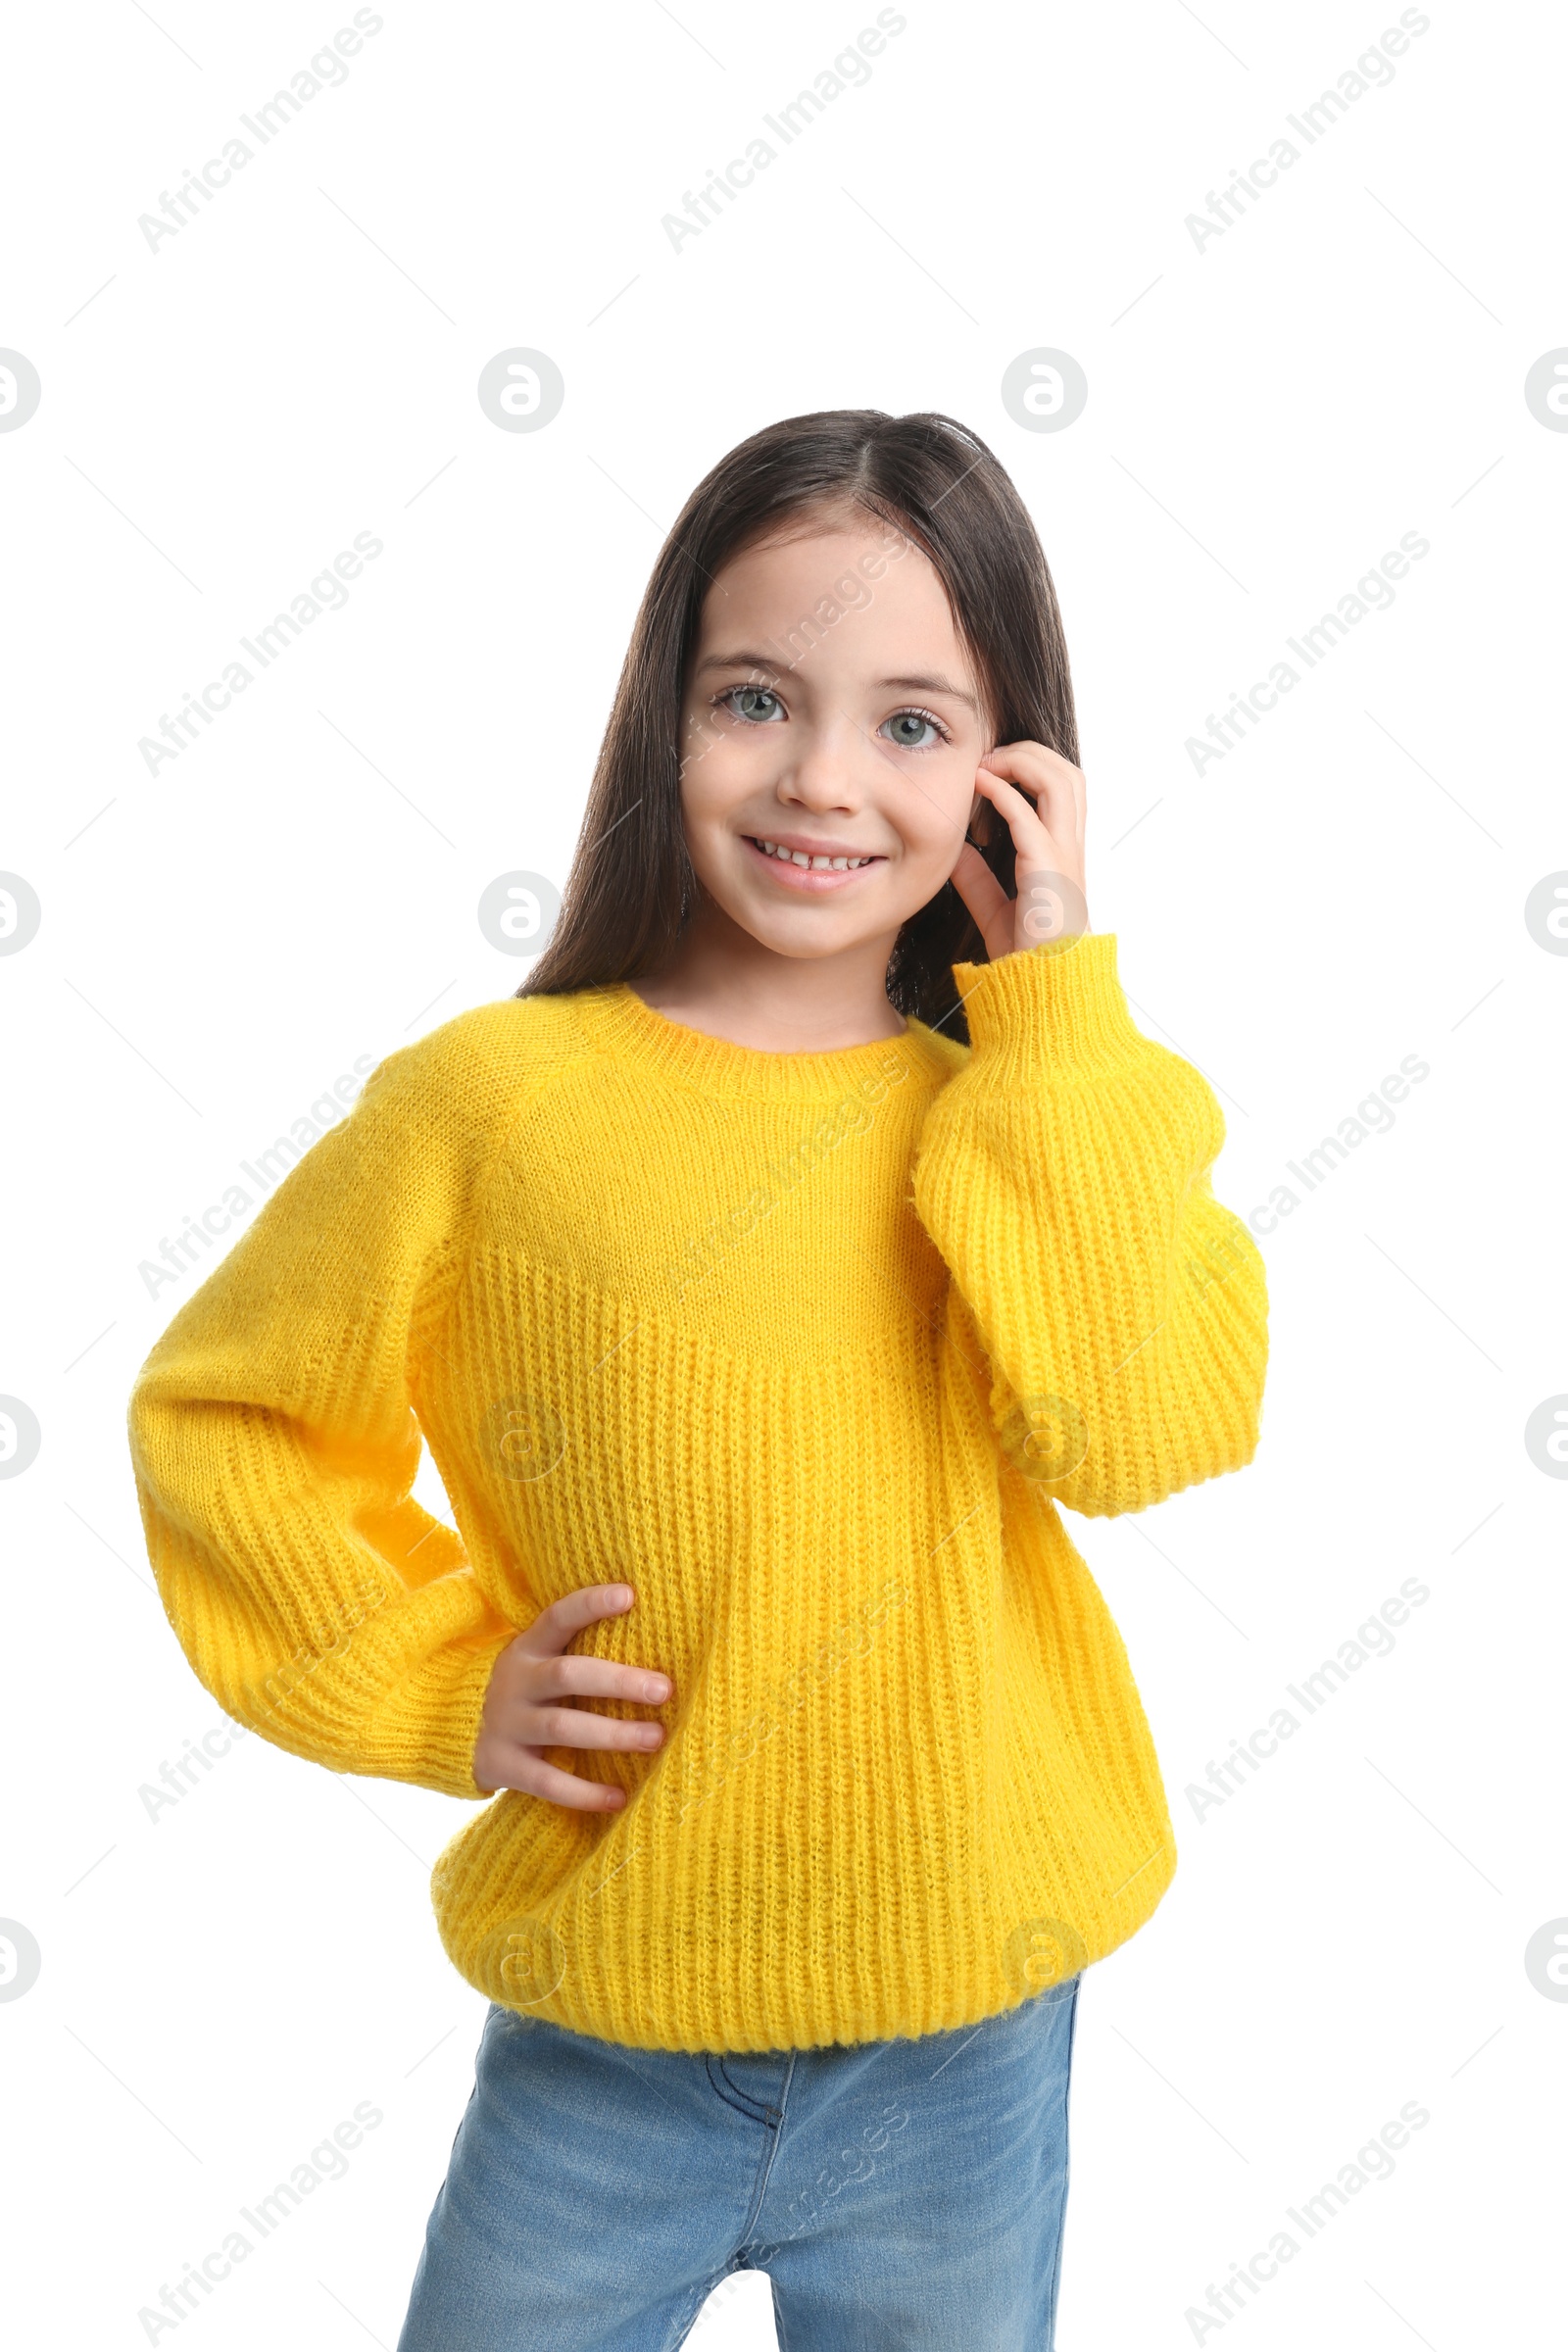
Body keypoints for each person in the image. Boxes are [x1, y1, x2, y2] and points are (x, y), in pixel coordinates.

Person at [126, 408, 1269, 2350]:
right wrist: (431, 1683)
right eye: (757, 696)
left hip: (964, 2043)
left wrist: (1052, 1013)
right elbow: (227, 1419)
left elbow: (1138, 1429)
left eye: (910, 723)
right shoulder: (487, 1109)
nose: (821, 776)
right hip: (606, 2040)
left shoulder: (1034, 1125)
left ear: (1012, 780)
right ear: (667, 710)